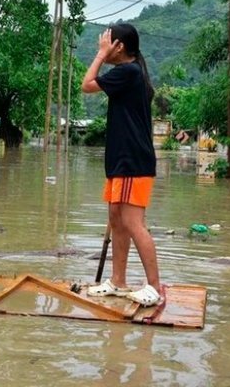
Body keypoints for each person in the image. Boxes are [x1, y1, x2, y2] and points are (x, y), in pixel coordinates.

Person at [81, 23, 161, 307]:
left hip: (132, 161)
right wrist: (105, 52)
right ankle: (118, 281)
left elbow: (87, 85)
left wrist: (101, 56)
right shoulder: (131, 73)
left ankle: (154, 287)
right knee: (116, 219)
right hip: (120, 161)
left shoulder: (128, 71)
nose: (102, 45)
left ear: (120, 47)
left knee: (132, 222)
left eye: (107, 41)